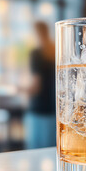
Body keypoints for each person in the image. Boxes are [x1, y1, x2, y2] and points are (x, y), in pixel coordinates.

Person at [22, 21, 56, 149]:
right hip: (53, 110)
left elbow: (36, 87)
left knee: (34, 151)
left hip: (38, 109)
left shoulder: (36, 54)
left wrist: (19, 89)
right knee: (51, 150)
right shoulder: (55, 51)